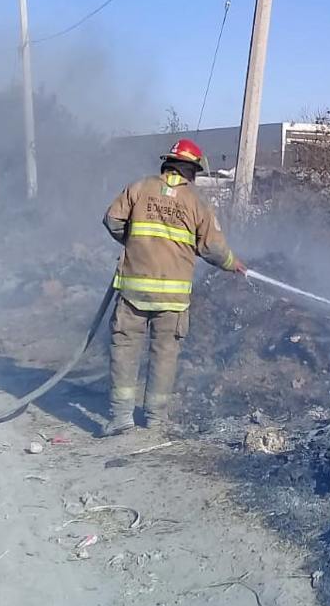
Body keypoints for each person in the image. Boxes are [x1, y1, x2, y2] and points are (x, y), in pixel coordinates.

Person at [101, 138, 246, 438]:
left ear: (168, 163)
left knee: (125, 350)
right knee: (164, 355)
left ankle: (120, 416)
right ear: (192, 170)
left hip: (133, 292)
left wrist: (134, 243)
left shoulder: (139, 188)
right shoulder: (197, 202)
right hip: (173, 299)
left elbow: (112, 220)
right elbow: (213, 248)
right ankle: (155, 419)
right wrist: (233, 264)